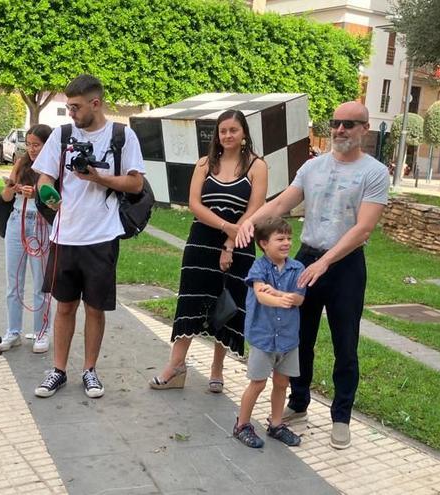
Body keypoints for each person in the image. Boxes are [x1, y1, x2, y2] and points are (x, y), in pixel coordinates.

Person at [236, 101, 389, 450]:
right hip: (306, 260)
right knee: (297, 337)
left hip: (345, 265)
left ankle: (341, 417)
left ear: (364, 129)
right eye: (335, 123)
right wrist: (250, 221)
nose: (340, 130)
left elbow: (364, 229)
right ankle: (299, 402)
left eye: (349, 124)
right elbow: (280, 204)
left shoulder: (375, 172)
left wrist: (326, 263)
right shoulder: (312, 166)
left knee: (345, 343)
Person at [31, 74, 146, 399]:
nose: (71, 113)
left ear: (95, 103)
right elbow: (44, 176)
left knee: (95, 308)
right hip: (65, 235)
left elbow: (136, 183)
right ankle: (58, 370)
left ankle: (90, 370)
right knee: (64, 307)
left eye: (76, 107)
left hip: (102, 236)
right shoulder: (62, 135)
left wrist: (99, 178)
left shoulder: (123, 136)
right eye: (68, 106)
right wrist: (48, 192)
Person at [150, 109, 267, 392]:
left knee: (225, 304)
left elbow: (255, 209)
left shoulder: (256, 166)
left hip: (239, 244)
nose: (227, 135)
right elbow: (195, 204)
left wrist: (230, 240)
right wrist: (226, 226)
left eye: (233, 130)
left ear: (244, 135)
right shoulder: (204, 163)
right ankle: (175, 367)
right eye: (222, 130)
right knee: (191, 300)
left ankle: (218, 369)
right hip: (201, 242)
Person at [232, 217, 306, 449]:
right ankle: (242, 425)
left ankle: (276, 424)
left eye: (289, 238)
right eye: (280, 239)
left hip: (288, 338)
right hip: (263, 338)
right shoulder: (259, 267)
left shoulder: (297, 268)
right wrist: (280, 297)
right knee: (258, 383)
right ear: (264, 243)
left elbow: (299, 298)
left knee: (282, 383)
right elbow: (261, 295)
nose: (286, 243)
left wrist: (277, 293)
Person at [0, 124, 54, 354]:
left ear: (47, 144)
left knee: (41, 282)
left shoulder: (52, 165)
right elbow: (4, 196)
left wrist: (37, 194)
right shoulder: (21, 162)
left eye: (37, 145)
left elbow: (55, 199)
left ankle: (42, 331)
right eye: (29, 144)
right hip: (16, 220)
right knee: (14, 281)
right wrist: (13, 189)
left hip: (40, 222)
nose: (32, 149)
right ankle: (13, 331)